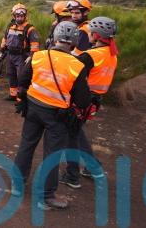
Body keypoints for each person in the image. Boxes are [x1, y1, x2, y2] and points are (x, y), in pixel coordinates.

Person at [13, 21, 91, 210]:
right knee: (52, 154)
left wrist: (25, 98)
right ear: (74, 42)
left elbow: (22, 80)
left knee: (26, 145)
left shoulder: (38, 56)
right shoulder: (77, 65)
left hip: (33, 109)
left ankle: (17, 184)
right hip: (57, 116)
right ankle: (46, 196)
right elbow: (82, 101)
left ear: (55, 38)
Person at [60, 16, 118, 189]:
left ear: (96, 35)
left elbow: (71, 73)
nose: (89, 35)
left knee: (71, 137)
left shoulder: (90, 56)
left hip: (81, 101)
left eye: (91, 32)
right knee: (77, 132)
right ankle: (93, 167)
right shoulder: (112, 53)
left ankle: (72, 176)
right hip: (94, 101)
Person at [0, 4, 40, 100]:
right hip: (10, 54)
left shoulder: (29, 29)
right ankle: (13, 94)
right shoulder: (10, 26)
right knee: (11, 74)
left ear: (25, 16)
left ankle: (21, 97)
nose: (19, 18)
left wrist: (31, 56)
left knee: (22, 76)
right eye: (17, 16)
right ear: (14, 16)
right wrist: (2, 49)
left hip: (22, 56)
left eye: (21, 16)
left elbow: (35, 44)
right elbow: (5, 39)